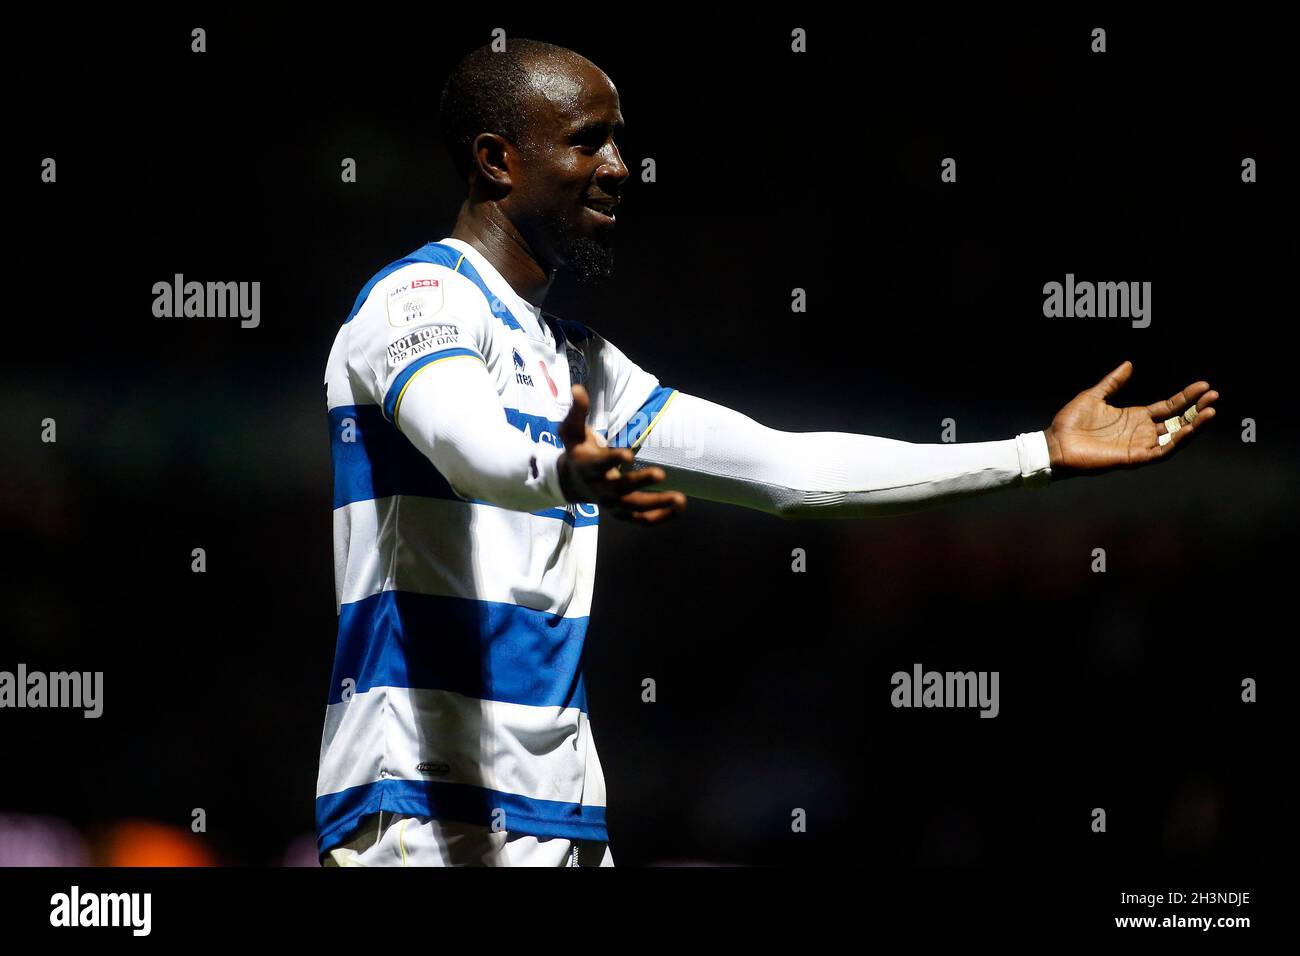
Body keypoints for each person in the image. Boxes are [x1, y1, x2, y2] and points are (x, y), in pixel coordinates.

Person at [316, 39, 1218, 866]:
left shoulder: (580, 362)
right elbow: (463, 442)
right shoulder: (419, 299)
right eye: (589, 142)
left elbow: (789, 473)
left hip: (561, 814)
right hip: (420, 809)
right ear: (496, 158)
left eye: (622, 143)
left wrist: (1034, 454)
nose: (620, 168)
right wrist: (562, 472)